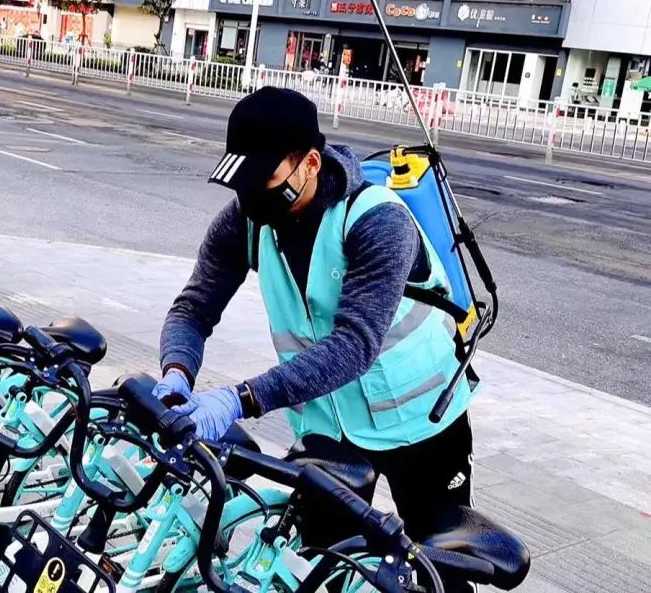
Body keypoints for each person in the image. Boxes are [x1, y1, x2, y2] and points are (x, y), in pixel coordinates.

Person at [154, 87, 476, 590]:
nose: (250, 197)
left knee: (437, 567)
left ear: (310, 162)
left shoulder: (378, 220)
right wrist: (177, 371)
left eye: (265, 179)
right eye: (241, 182)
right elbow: (193, 307)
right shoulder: (246, 219)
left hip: (421, 420)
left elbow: (354, 344)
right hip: (328, 427)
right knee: (316, 567)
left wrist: (241, 399)